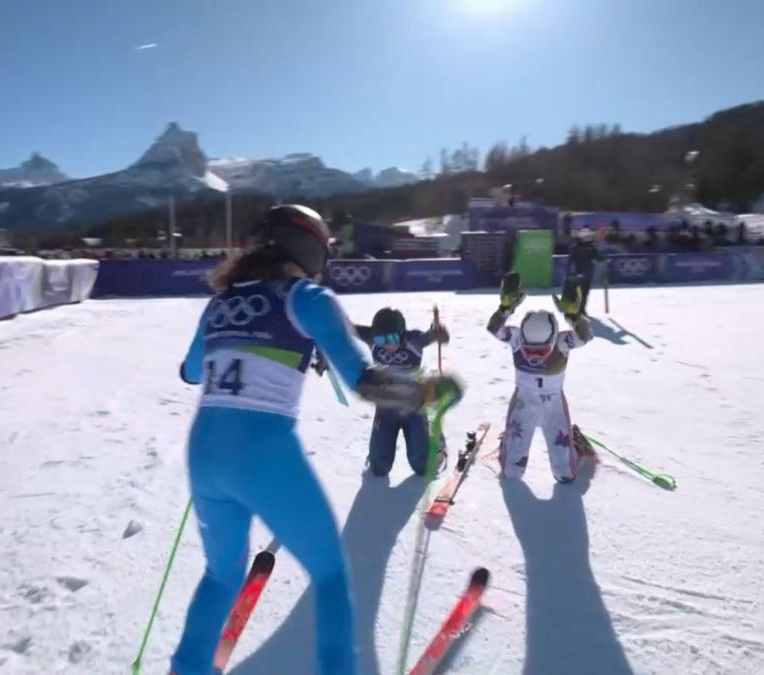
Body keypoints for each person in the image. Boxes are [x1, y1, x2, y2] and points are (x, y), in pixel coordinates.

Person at [172, 204, 463, 675]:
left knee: (220, 574)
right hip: (264, 450)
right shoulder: (307, 297)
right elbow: (365, 380)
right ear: (311, 249)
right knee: (329, 575)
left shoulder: (219, 303)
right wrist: (424, 392)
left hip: (204, 451)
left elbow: (189, 372)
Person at [487, 273, 595, 483]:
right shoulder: (517, 339)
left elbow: (585, 336)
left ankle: (576, 444)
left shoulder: (562, 342)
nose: (534, 357)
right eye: (529, 349)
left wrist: (574, 317)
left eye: (541, 350)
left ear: (554, 338)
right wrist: (504, 309)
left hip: (553, 407)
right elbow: (494, 329)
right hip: (523, 403)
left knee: (565, 475)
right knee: (512, 473)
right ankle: (507, 444)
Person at [352, 307, 451, 477]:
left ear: (402, 333)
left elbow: (435, 336)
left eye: (392, 338)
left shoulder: (414, 340)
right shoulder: (372, 339)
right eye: (381, 339)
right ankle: (377, 454)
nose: (387, 344)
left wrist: (439, 333)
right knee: (379, 468)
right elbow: (345, 327)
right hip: (385, 407)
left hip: (414, 407)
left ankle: (437, 447)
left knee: (421, 466)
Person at [567, 228, 606, 316]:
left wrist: (602, 256)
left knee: (585, 293)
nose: (588, 238)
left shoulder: (591, 247)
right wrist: (570, 272)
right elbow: (570, 260)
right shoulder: (576, 247)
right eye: (587, 236)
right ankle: (576, 309)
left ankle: (582, 309)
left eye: (589, 236)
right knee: (579, 292)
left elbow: (599, 257)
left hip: (588, 273)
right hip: (578, 273)